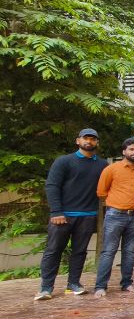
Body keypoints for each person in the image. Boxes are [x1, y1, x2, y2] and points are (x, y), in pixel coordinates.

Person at [35, 129, 108, 301]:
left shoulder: (103, 165)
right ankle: (46, 287)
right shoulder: (64, 161)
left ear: (97, 142)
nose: (89, 141)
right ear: (78, 141)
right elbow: (52, 186)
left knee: (80, 251)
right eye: (85, 138)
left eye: (93, 139)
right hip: (62, 215)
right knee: (53, 250)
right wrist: (56, 211)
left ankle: (73, 284)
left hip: (88, 215)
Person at [94, 138, 134, 297]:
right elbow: (101, 191)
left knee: (129, 251)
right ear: (124, 151)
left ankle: (127, 283)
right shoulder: (111, 169)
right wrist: (115, 204)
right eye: (131, 149)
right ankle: (100, 286)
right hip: (115, 215)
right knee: (109, 251)